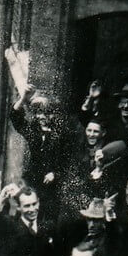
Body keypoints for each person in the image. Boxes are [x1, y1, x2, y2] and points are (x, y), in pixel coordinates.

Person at [9, 85, 80, 222]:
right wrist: (24, 98)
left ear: (53, 114)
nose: (42, 117)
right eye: (38, 113)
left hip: (51, 187)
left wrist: (55, 173)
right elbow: (15, 117)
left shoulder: (62, 134)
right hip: (32, 181)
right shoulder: (33, 130)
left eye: (47, 113)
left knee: (47, 219)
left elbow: (69, 161)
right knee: (27, 215)